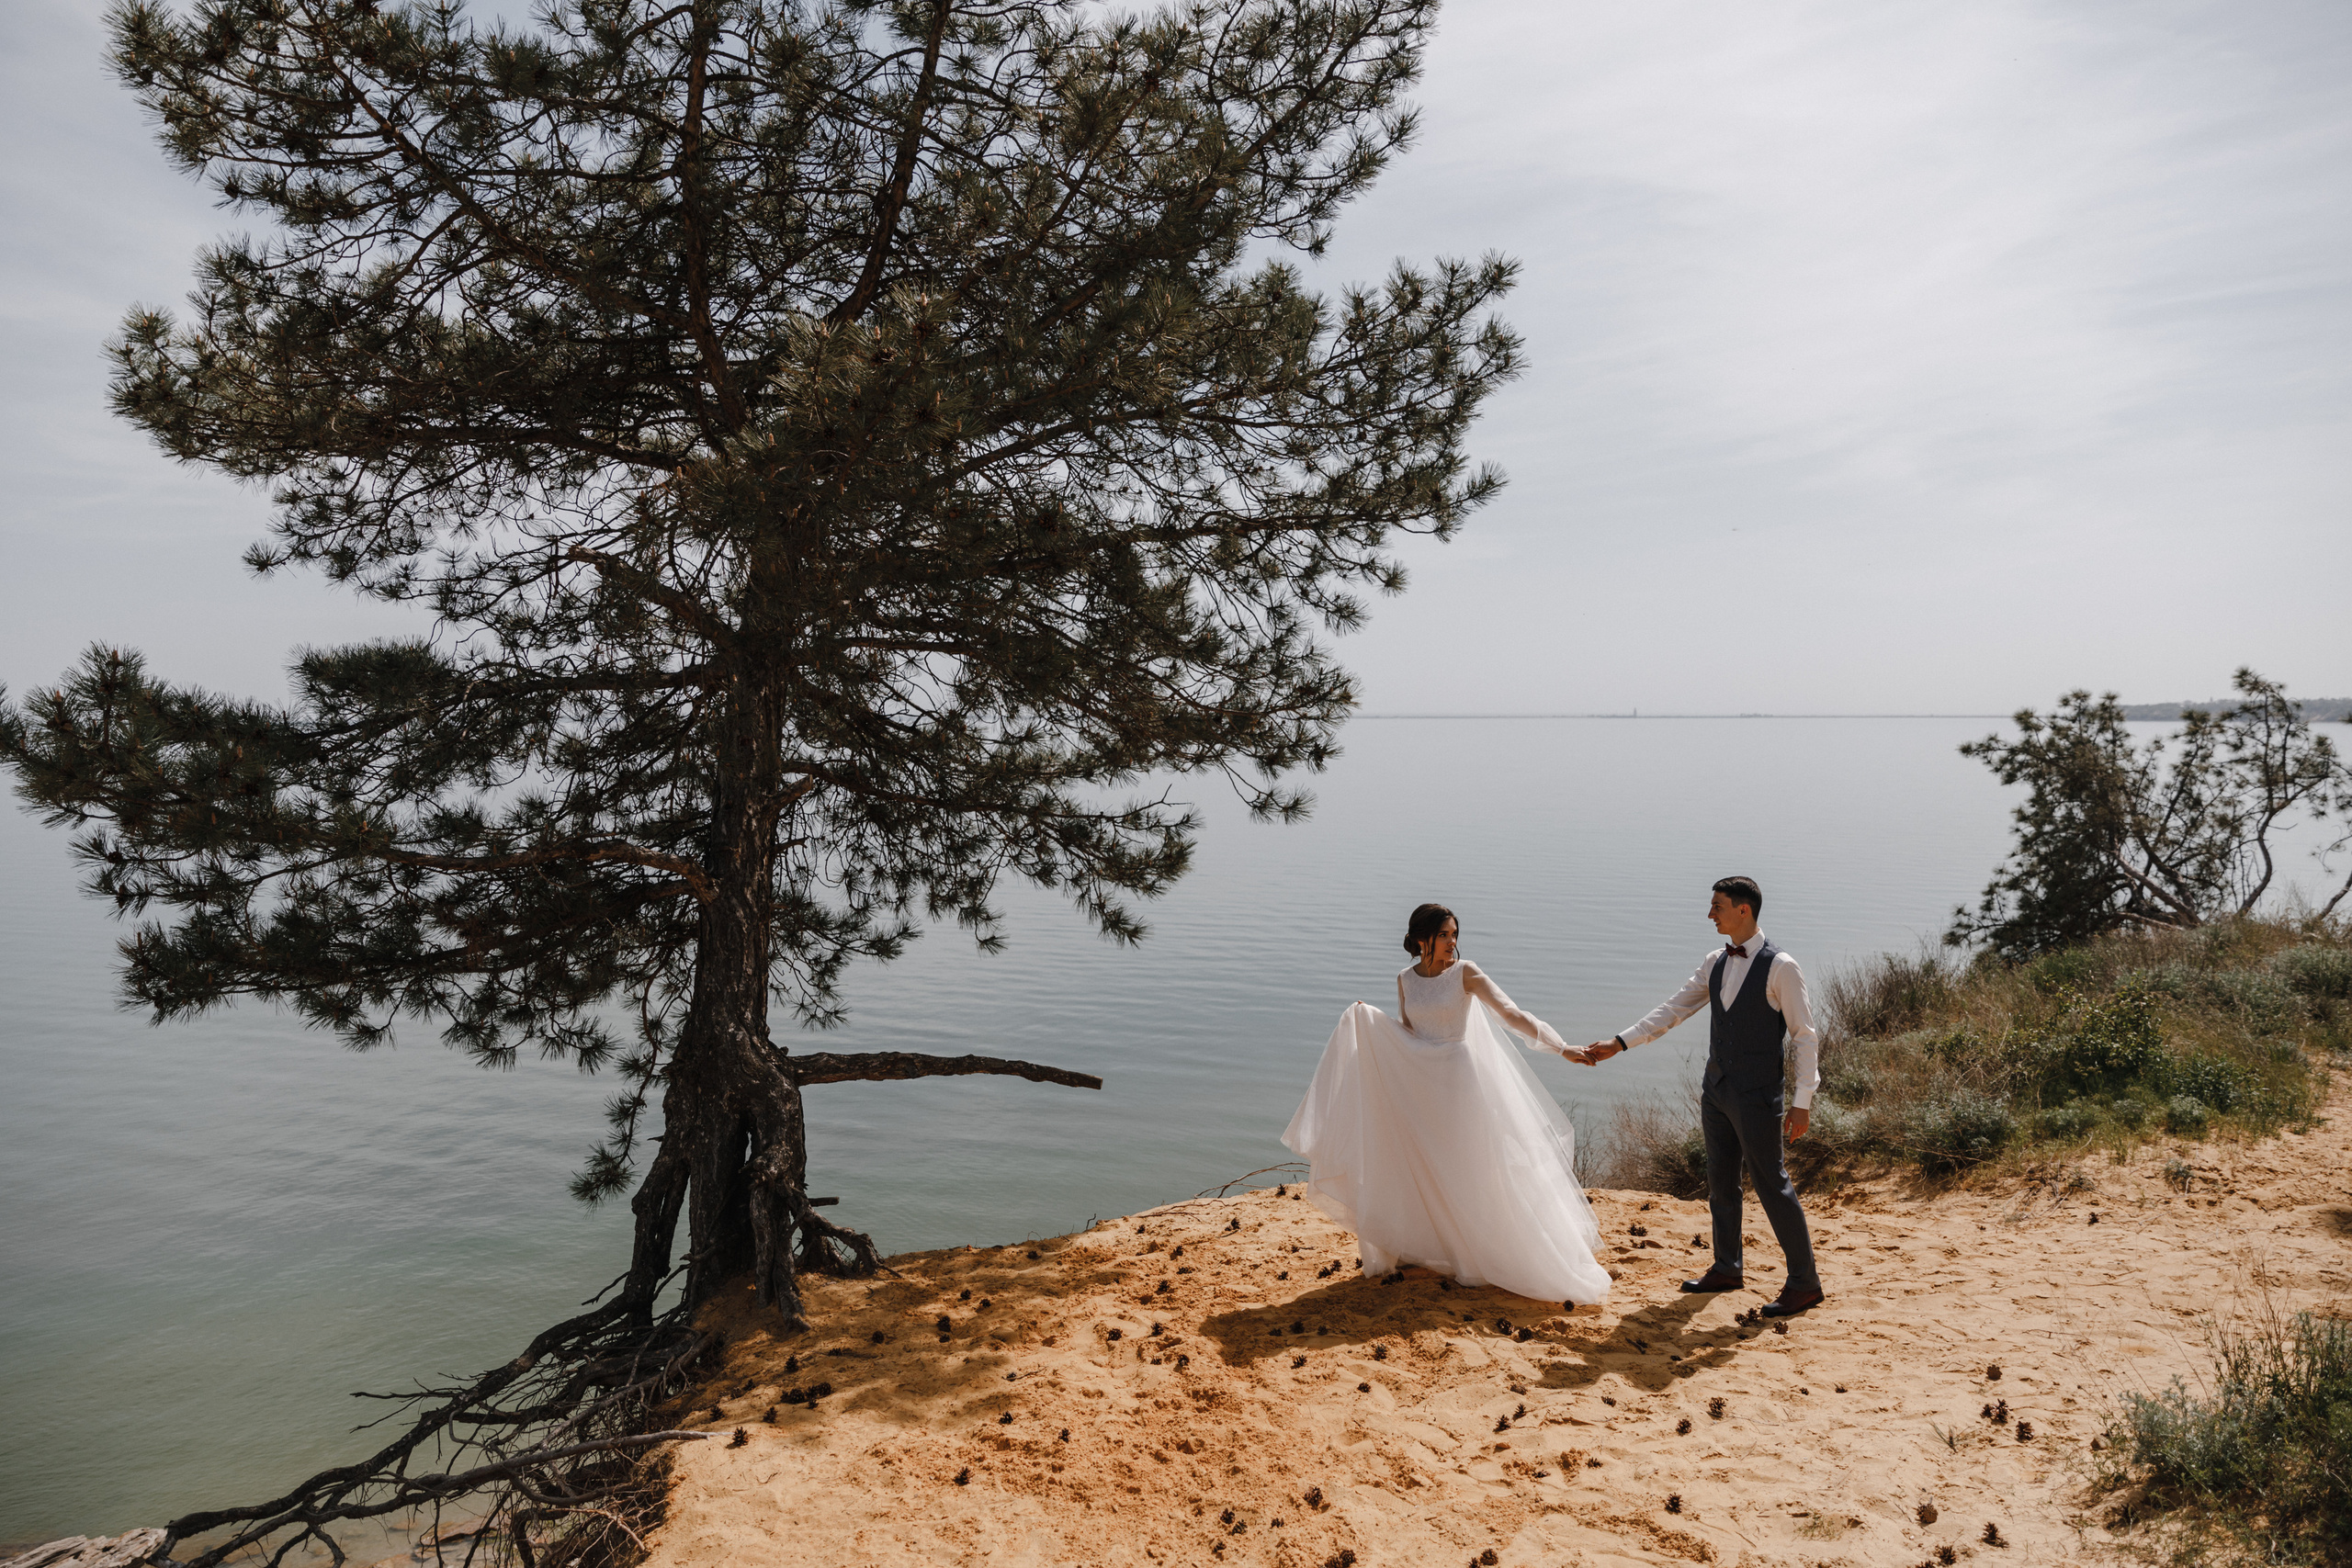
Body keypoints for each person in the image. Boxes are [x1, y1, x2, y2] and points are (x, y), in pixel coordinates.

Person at [1282, 903, 1612, 1306]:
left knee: (1469, 1165)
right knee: (1421, 1163)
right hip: (1419, 1084)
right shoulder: (1405, 979)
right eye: (1444, 935)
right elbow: (1408, 1033)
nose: (1451, 943)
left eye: (1454, 934)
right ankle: (1425, 1243)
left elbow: (1510, 1013)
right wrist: (1369, 1026)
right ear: (1422, 939)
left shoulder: (1466, 973)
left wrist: (1561, 1047)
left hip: (1456, 1079)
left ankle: (1483, 1251)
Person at [1584, 875, 1825, 1316]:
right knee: (1721, 1184)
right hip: (1715, 1090)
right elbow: (1674, 1008)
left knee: (1772, 1185)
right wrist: (1620, 1043)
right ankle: (1728, 1267)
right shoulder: (1715, 960)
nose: (1709, 914)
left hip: (1757, 1096)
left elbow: (1804, 1037)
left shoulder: (1781, 967)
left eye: (1717, 906)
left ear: (1743, 910)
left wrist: (1802, 1101)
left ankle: (1805, 1283)